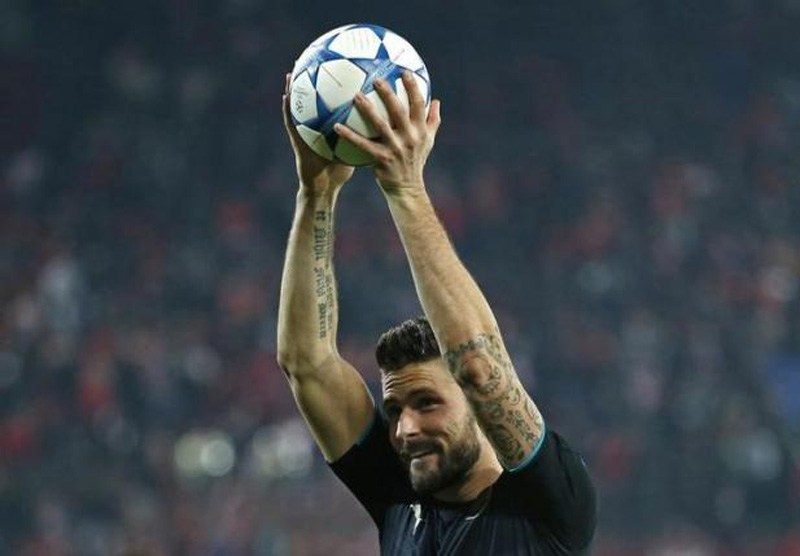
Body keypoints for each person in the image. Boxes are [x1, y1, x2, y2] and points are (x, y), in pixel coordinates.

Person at [277, 70, 596, 555]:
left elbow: (478, 368)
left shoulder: (547, 504)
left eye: (427, 403)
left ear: (479, 410)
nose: (405, 429)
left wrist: (405, 189)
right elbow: (307, 363)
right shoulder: (398, 496)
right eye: (395, 411)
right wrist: (316, 192)